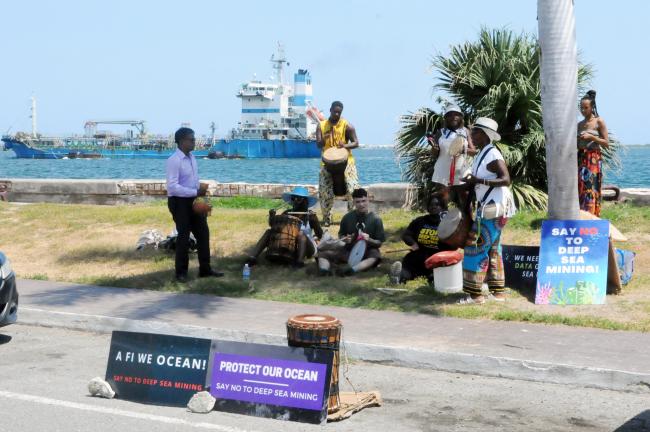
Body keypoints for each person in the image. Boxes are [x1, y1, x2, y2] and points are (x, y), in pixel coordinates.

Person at [459, 118, 516, 304]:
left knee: (475, 247)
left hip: (493, 207)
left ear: (484, 135)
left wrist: (479, 181)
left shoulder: (492, 154)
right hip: (494, 207)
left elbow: (505, 179)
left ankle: (475, 295)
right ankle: (498, 292)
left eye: (475, 132)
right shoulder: (483, 153)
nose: (472, 135)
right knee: (494, 249)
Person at [166, 127, 224, 282]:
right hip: (179, 202)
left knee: (203, 234)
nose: (194, 142)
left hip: (193, 200)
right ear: (182, 141)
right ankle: (181, 273)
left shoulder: (192, 158)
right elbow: (172, 187)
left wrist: (200, 192)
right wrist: (195, 192)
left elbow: (192, 181)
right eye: (191, 139)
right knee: (183, 237)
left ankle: (205, 269)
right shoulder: (174, 160)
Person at [246, 186, 323, 267]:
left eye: (299, 199)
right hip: (291, 246)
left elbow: (320, 235)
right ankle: (252, 258)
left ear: (306, 201)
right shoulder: (287, 213)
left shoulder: (310, 215)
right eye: (293, 198)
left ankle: (299, 262)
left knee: (300, 235)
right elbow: (275, 228)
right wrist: (272, 217)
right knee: (269, 232)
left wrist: (315, 221)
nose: (295, 201)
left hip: (308, 247)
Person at [391, 192, 456, 283]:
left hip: (438, 257)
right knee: (409, 264)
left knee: (434, 275)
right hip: (420, 254)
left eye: (437, 204)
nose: (433, 207)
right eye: (431, 204)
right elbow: (406, 235)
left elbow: (454, 246)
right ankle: (400, 276)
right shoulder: (420, 221)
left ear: (442, 207)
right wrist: (413, 243)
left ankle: (432, 277)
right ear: (428, 207)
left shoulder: (448, 224)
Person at [317, 188, 385, 276]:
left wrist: (369, 240)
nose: (361, 204)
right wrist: (345, 239)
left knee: (375, 256)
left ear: (368, 200)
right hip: (349, 250)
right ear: (353, 202)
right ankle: (324, 271)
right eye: (358, 202)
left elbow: (379, 243)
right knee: (323, 254)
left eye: (363, 201)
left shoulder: (376, 219)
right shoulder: (347, 218)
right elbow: (341, 234)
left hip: (368, 251)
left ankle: (351, 271)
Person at [316, 101, 361, 226]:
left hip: (347, 161)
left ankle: (352, 217)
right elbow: (318, 144)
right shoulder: (321, 125)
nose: (336, 114)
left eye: (339, 112)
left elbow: (356, 143)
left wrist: (345, 145)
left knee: (353, 189)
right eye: (334, 111)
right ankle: (327, 218)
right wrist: (324, 138)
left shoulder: (347, 125)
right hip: (326, 162)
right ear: (330, 110)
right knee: (324, 191)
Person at [428, 104, 477, 208]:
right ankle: (442, 222)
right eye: (450, 115)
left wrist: (463, 149)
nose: (453, 117)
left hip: (462, 172)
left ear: (461, 117)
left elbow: (473, 151)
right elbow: (434, 154)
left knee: (465, 202)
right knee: (442, 201)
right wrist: (434, 149)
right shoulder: (440, 133)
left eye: (456, 114)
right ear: (445, 118)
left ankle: (467, 223)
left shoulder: (465, 131)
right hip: (443, 172)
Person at [577, 90, 609, 216]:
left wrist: (592, 138)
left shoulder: (599, 121)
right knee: (581, 187)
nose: (583, 110)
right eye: (581, 108)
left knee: (592, 188)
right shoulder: (579, 124)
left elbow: (606, 143)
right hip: (581, 157)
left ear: (592, 107)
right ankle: (581, 215)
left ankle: (592, 216)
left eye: (586, 108)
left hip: (593, 158)